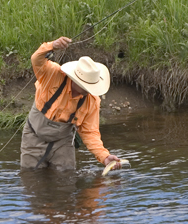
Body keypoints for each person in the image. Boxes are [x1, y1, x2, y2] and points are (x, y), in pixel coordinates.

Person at [20, 36, 121, 172]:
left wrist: (104, 156)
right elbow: (36, 59)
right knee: (30, 177)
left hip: (63, 143)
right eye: (87, 86)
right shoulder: (53, 74)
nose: (90, 91)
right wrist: (52, 46)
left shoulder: (92, 101)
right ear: (76, 80)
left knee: (66, 180)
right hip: (33, 137)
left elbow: (90, 132)